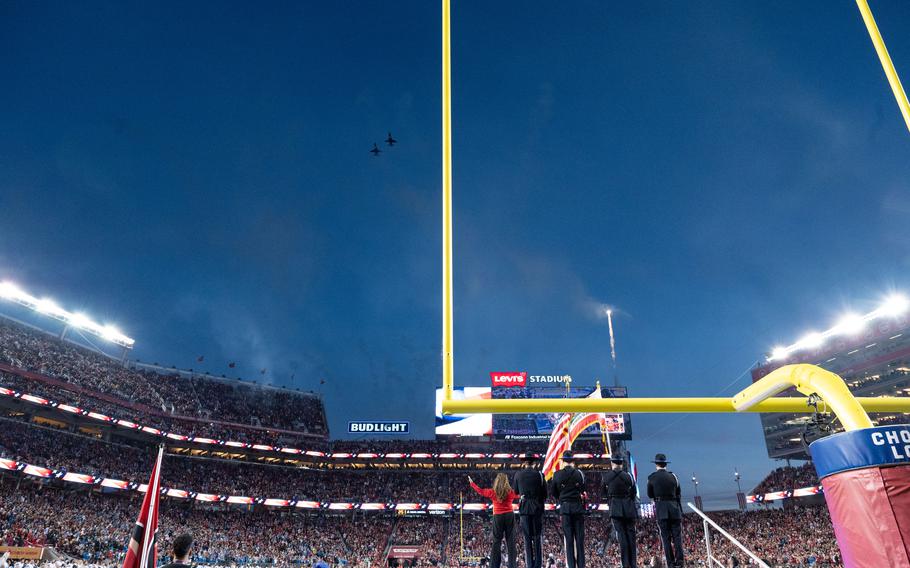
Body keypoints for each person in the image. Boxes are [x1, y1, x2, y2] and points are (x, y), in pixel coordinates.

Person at [469, 473, 520, 568]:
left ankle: (494, 565)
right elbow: (520, 494)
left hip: (498, 517)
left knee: (497, 542)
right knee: (511, 542)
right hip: (509, 515)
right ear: (506, 482)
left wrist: (472, 483)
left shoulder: (492, 492)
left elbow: (480, 491)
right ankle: (512, 566)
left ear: (496, 482)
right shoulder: (510, 492)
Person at [646, 454, 684, 568]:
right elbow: (678, 493)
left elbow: (650, 494)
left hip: (661, 510)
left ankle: (671, 563)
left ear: (656, 464)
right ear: (666, 464)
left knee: (666, 539)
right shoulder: (674, 477)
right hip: (674, 509)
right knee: (677, 537)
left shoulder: (651, 478)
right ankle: (680, 563)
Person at [550, 451, 586, 568]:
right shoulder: (579, 474)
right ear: (572, 461)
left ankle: (571, 565)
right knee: (579, 540)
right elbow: (583, 490)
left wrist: (562, 498)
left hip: (565, 509)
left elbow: (553, 492)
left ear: (563, 461)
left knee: (569, 541)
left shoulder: (557, 475)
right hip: (577, 508)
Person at [602, 455, 638, 568]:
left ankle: (625, 564)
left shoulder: (606, 477)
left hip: (615, 508)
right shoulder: (629, 476)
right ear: (621, 464)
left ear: (612, 463)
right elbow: (633, 493)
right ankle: (633, 564)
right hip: (629, 507)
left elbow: (603, 495)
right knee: (631, 536)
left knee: (621, 536)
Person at [514, 453, 547, 568]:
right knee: (537, 537)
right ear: (534, 463)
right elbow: (545, 494)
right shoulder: (540, 475)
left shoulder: (518, 475)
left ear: (524, 463)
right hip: (537, 508)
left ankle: (529, 565)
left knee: (527, 538)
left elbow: (516, 492)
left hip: (524, 509)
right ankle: (538, 565)